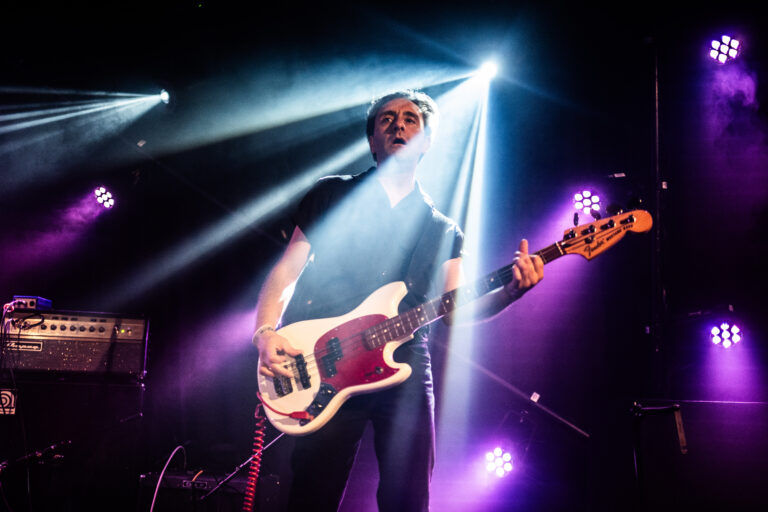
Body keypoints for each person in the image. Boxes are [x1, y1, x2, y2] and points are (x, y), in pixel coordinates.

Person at [253, 89, 543, 511]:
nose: (398, 125)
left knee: (407, 497)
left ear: (426, 142)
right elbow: (285, 272)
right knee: (312, 493)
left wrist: (511, 292)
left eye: (411, 119)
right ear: (372, 140)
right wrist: (264, 330)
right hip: (326, 359)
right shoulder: (331, 195)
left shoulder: (442, 229)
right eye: (386, 119)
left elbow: (455, 311)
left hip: (404, 366)